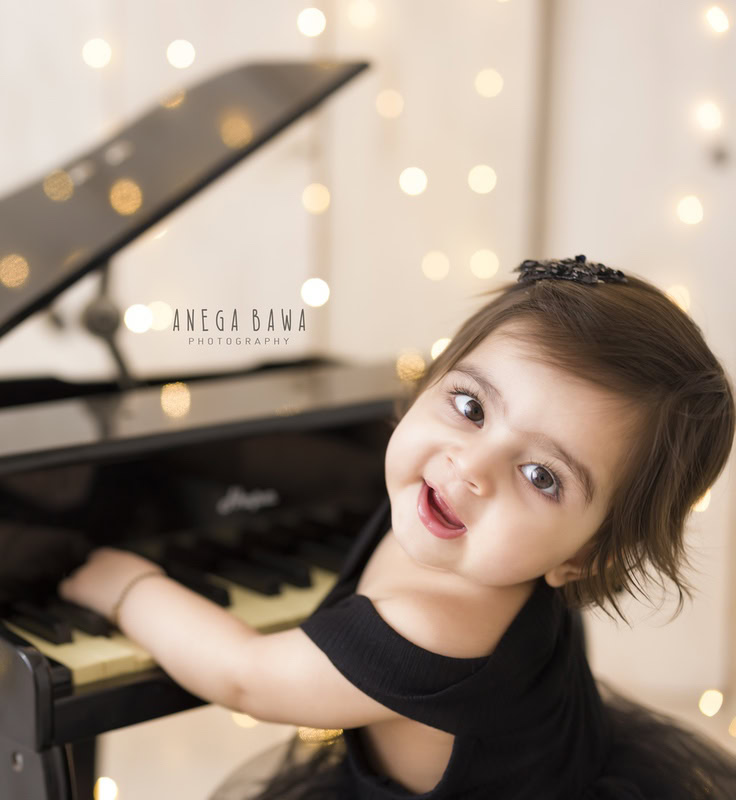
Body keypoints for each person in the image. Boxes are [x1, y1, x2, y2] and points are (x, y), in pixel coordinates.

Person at [57, 255, 736, 798]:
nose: (471, 467)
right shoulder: (458, 512)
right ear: (428, 382)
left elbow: (246, 677)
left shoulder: (436, 627)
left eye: (541, 477)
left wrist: (128, 587)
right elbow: (319, 477)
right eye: (470, 406)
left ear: (584, 557)